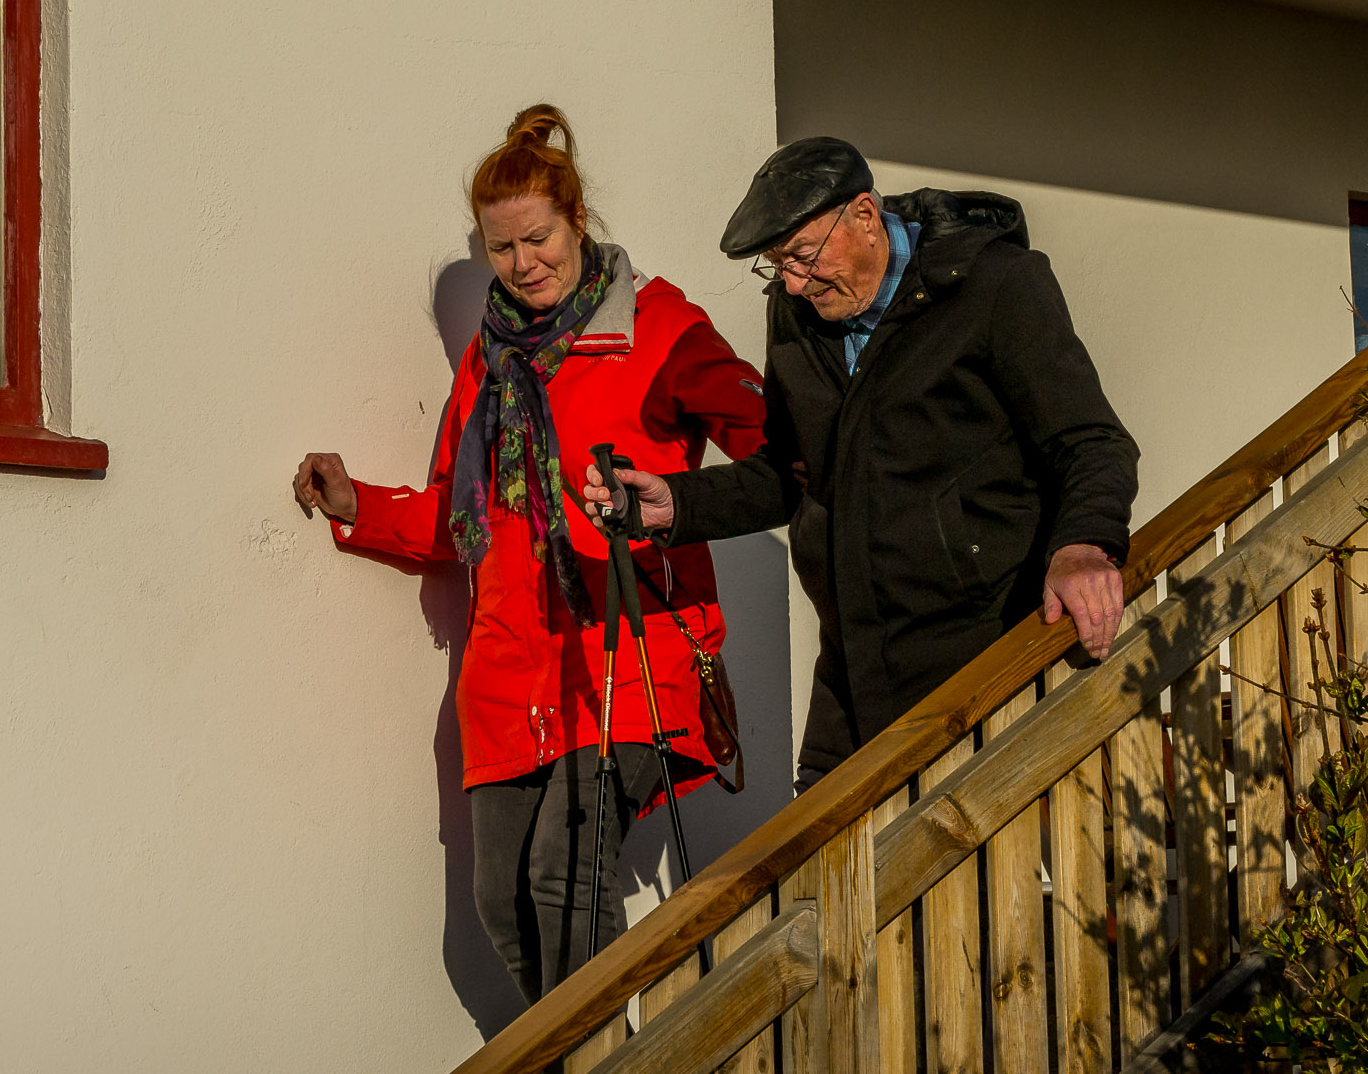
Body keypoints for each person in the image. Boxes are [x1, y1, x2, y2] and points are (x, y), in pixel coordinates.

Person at [291, 106, 765, 1004]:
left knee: (564, 875)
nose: (522, 263)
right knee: (499, 904)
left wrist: (673, 504)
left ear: (578, 221)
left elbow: (775, 456)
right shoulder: (490, 360)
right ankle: (585, 1055)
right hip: (511, 671)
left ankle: (591, 1059)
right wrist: (360, 507)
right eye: (501, 248)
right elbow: (461, 518)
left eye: (538, 238)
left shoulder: (659, 326)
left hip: (625, 657)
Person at [587, 138, 1137, 792]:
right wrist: (676, 505)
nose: (793, 282)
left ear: (866, 217)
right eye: (777, 265)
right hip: (852, 676)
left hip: (984, 662)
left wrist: (1083, 546)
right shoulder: (795, 312)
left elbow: (1090, 442)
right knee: (828, 848)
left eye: (802, 255)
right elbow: (793, 472)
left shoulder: (995, 285)